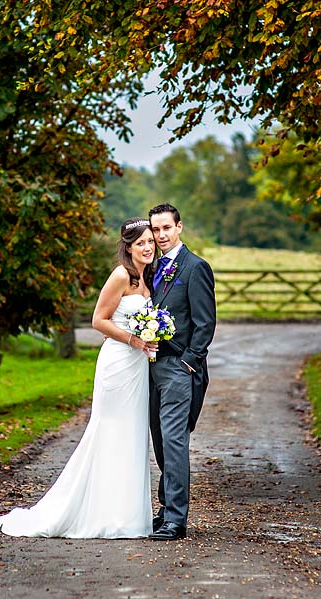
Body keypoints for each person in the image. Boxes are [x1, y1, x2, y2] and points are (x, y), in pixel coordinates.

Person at [0, 217, 159, 538]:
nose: (148, 247)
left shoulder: (149, 276)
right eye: (141, 243)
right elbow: (98, 320)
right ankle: (100, 513)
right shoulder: (121, 275)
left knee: (133, 436)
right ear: (128, 247)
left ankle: (128, 515)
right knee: (110, 433)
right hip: (118, 365)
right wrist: (134, 339)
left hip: (138, 367)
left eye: (150, 241)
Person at [147, 203, 216, 541]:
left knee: (174, 442)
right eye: (155, 229)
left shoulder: (195, 267)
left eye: (165, 228)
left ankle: (176, 518)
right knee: (159, 441)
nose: (160, 235)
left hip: (179, 368)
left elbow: (205, 322)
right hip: (150, 368)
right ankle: (165, 509)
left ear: (179, 227)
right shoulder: (151, 268)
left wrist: (189, 361)